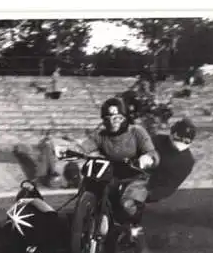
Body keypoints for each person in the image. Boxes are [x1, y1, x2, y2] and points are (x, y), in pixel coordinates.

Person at [61, 97, 161, 241]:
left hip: (134, 176)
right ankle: (84, 220)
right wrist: (69, 150)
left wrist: (147, 159)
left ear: (125, 118)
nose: (112, 122)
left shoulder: (137, 132)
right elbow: (84, 146)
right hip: (110, 175)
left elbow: (152, 152)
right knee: (90, 186)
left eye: (117, 118)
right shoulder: (101, 135)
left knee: (127, 203)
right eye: (108, 118)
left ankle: (134, 227)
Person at [147, 116, 197, 203]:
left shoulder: (187, 162)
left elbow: (169, 187)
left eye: (186, 140)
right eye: (179, 137)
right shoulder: (156, 140)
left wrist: (147, 194)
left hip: (150, 188)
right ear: (172, 133)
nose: (182, 141)